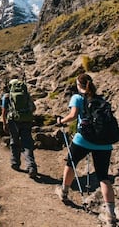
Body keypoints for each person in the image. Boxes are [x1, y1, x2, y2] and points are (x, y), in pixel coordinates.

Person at [55, 73, 116, 226]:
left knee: (70, 163)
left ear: (78, 85)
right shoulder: (101, 99)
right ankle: (111, 215)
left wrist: (60, 121)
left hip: (83, 139)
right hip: (105, 143)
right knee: (103, 177)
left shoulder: (77, 97)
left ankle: (64, 192)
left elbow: (73, 115)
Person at [1, 78, 38, 178]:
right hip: (26, 120)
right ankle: (31, 167)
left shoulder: (7, 96)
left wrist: (4, 123)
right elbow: (33, 108)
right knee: (27, 143)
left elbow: (4, 111)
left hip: (13, 121)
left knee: (14, 141)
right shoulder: (26, 94)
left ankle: (15, 163)